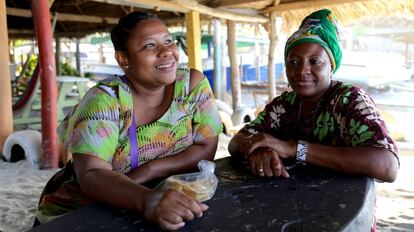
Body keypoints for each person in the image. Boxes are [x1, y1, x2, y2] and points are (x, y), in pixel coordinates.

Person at [35, 12, 222, 231]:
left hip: (160, 200)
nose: (166, 52)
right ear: (124, 59)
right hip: (82, 213)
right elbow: (92, 174)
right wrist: (147, 199)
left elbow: (206, 148)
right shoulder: (104, 101)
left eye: (168, 41)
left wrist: (151, 170)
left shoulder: (190, 85)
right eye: (150, 46)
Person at [228, 9, 398, 182]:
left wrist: (295, 149)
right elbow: (235, 142)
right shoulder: (284, 105)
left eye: (315, 62)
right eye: (293, 62)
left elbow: (387, 166)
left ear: (331, 66)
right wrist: (258, 150)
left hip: (346, 205)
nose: (302, 71)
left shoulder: (349, 100)